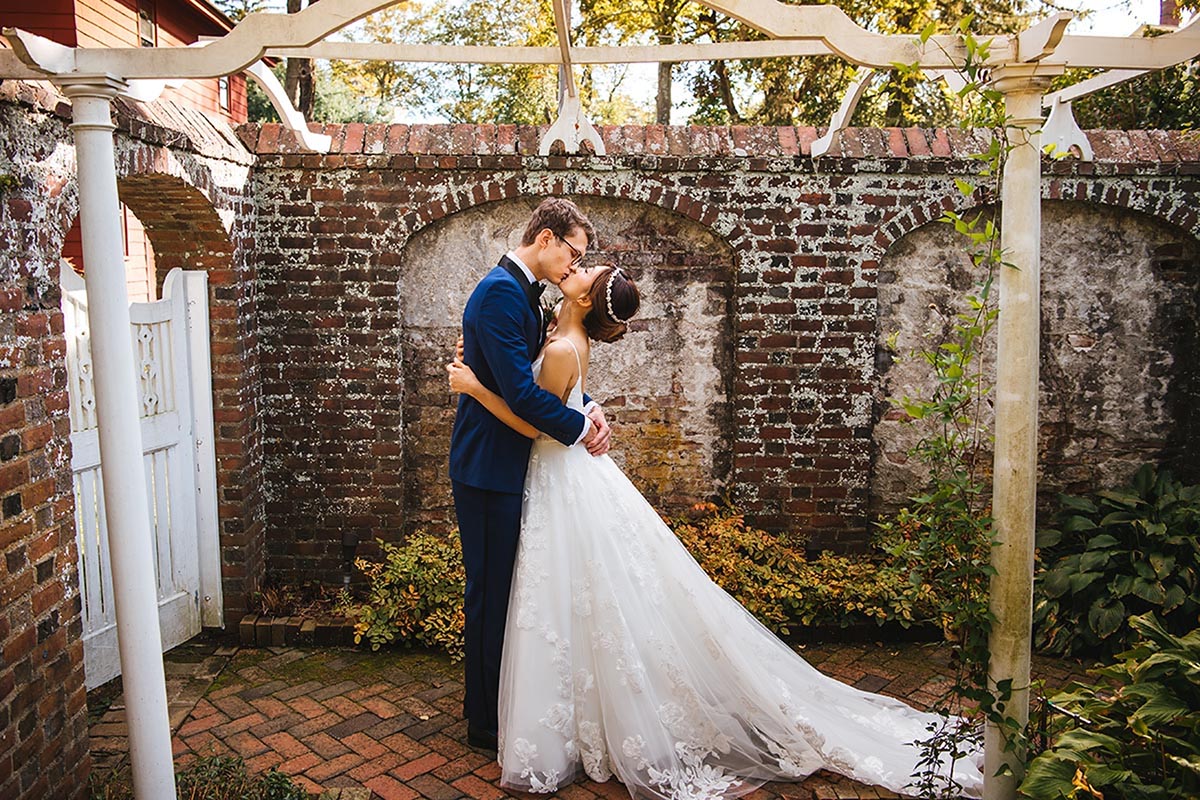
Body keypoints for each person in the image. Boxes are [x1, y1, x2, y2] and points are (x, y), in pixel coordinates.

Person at [447, 264, 986, 799]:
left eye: (586, 269)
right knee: (582, 599)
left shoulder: (564, 347)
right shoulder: (557, 334)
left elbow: (531, 417)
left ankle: (572, 721)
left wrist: (473, 388)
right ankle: (581, 713)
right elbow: (550, 396)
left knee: (571, 598)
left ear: (585, 300)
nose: (578, 267)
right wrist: (586, 411)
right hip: (563, 477)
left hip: (558, 475)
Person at [448, 197, 613, 752]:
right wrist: (578, 427)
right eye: (573, 252)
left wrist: (589, 410)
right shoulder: (500, 292)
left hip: (510, 460)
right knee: (490, 592)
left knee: (507, 591)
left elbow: (540, 376)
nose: (573, 265)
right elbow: (521, 393)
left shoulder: (526, 294)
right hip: (489, 464)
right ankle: (485, 724)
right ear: (545, 238)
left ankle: (498, 702)